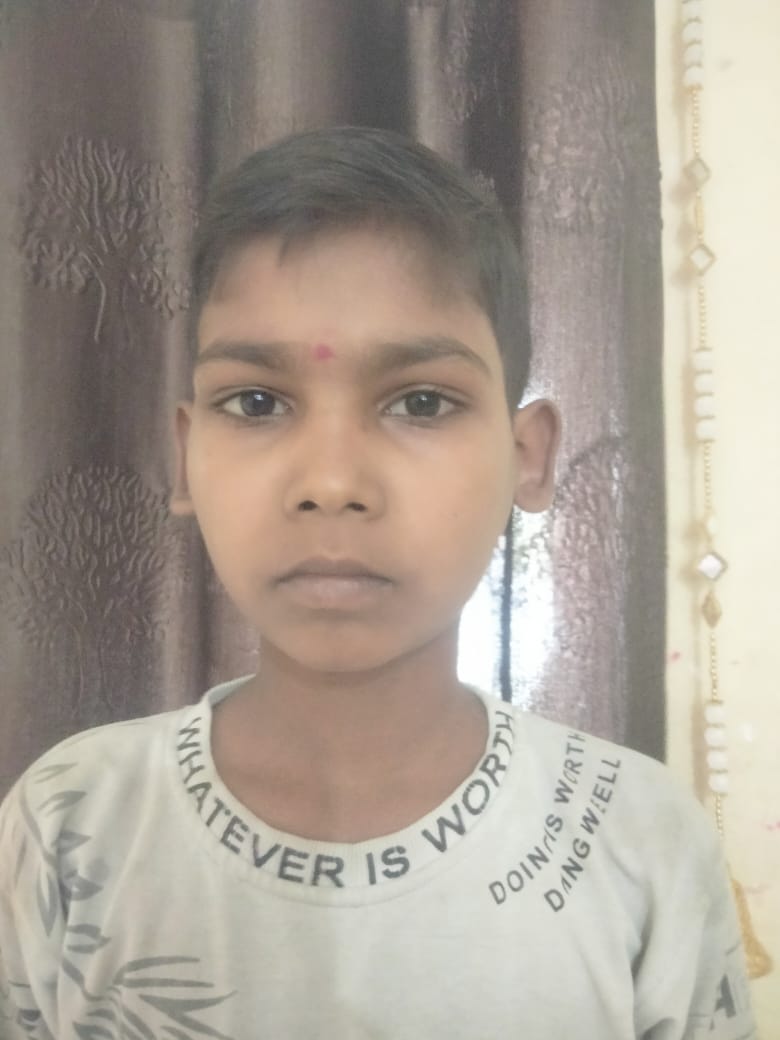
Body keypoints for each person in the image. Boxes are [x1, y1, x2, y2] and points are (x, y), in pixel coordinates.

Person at [0, 126, 755, 1040]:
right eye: (256, 402)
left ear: (527, 457)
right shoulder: (70, 821)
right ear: (188, 455)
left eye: (421, 402)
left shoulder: (638, 839)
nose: (331, 483)